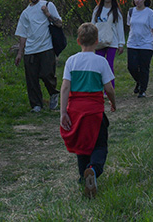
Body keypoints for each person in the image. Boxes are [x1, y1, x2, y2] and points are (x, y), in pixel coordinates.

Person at [59, 23, 116, 199]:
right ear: (97, 41)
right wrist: (113, 103)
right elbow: (109, 88)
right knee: (99, 145)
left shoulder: (71, 61)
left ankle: (83, 178)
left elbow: (65, 88)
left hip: (75, 110)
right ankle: (93, 170)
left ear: (78, 41)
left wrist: (63, 112)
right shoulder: (101, 61)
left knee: (82, 146)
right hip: (94, 112)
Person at [15, 0, 61, 112]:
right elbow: (23, 34)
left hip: (46, 47)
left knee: (47, 74)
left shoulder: (48, 5)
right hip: (30, 50)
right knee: (31, 78)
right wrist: (20, 53)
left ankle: (53, 93)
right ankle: (36, 104)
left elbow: (59, 23)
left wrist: (47, 14)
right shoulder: (25, 13)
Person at [126, 0, 153, 98]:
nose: (137, 1)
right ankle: (139, 81)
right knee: (131, 67)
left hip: (146, 44)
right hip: (132, 43)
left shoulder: (149, 12)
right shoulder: (131, 12)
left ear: (144, 0)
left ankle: (142, 90)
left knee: (144, 67)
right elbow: (129, 26)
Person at [90, 0, 125, 84]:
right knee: (98, 66)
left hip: (112, 41)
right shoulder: (97, 9)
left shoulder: (116, 11)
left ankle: (109, 89)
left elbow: (119, 27)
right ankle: (98, 88)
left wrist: (121, 43)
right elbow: (92, 24)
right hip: (99, 41)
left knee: (109, 66)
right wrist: (91, 40)